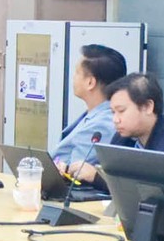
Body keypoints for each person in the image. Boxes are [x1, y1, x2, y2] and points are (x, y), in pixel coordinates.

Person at [51, 44, 126, 173]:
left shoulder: (103, 124)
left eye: (77, 73)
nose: (73, 77)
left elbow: (76, 171)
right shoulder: (94, 114)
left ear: (90, 82)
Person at [109, 74, 164, 156]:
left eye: (121, 111)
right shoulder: (121, 138)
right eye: (113, 112)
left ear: (148, 106)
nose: (116, 120)